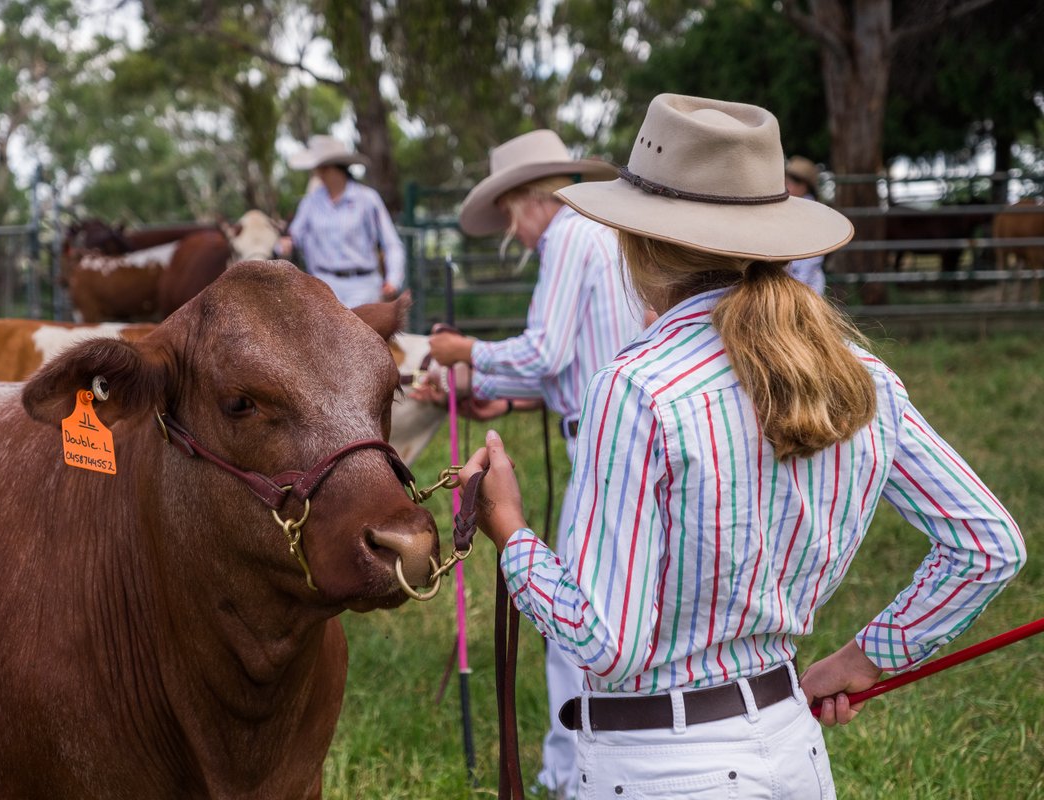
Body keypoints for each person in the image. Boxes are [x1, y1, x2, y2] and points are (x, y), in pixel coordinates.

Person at [457, 94, 1024, 799]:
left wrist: (508, 528)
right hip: (792, 750)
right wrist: (869, 656)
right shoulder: (861, 375)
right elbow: (988, 545)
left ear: (639, 242)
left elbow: (605, 643)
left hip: (659, 768)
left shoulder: (637, 389)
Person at [415, 128, 650, 799]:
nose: (513, 237)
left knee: (569, 614)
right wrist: (503, 398)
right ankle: (594, 761)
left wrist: (467, 352)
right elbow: (569, 365)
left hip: (603, 450)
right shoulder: (599, 231)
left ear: (525, 200)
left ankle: (567, 774)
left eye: (509, 222)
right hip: (615, 436)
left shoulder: (567, 235)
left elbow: (546, 353)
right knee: (611, 608)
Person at [278, 135, 405, 307]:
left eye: (320, 168)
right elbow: (294, 237)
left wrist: (393, 279)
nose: (317, 173)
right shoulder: (310, 203)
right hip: (322, 287)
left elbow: (391, 243)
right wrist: (284, 245)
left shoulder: (367, 199)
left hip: (363, 288)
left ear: (331, 169)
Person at [784, 155, 828, 294]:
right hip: (796, 281)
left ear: (803, 186)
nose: (785, 187)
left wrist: (796, 287)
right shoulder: (791, 210)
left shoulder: (811, 214)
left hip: (804, 283)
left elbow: (812, 258)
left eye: (789, 183)